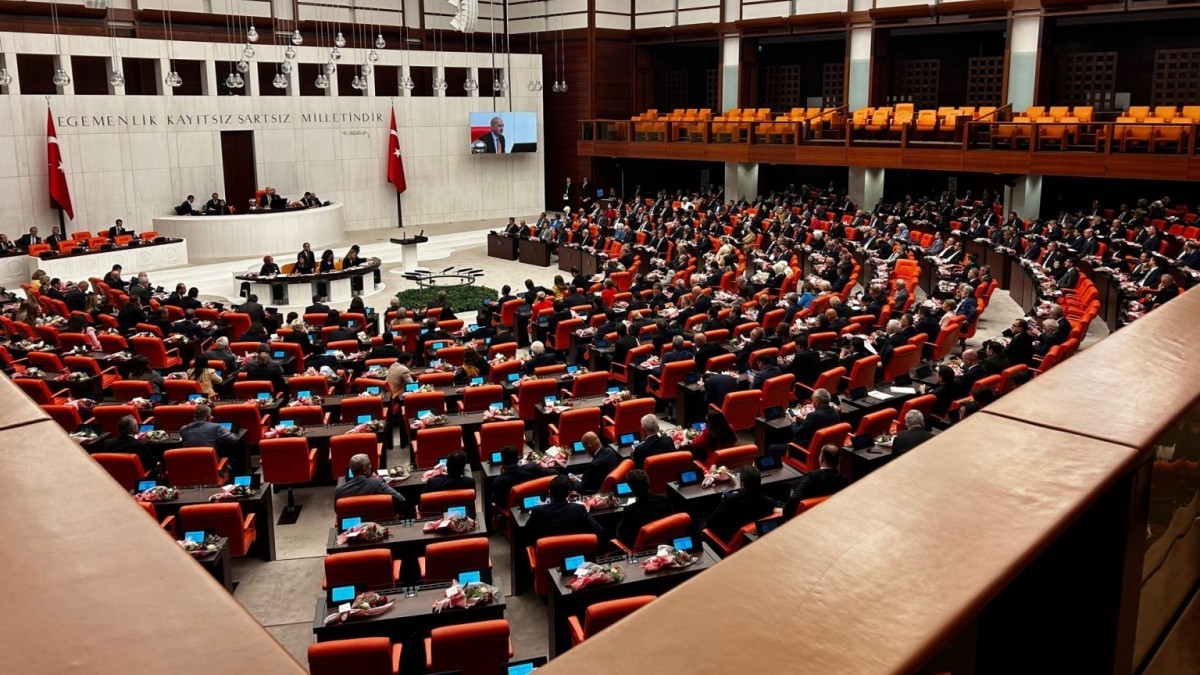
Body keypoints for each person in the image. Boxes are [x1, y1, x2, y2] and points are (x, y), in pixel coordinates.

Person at [703, 466, 780, 542]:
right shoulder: (769, 502)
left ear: (742, 484)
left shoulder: (729, 500)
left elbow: (711, 523)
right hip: (752, 539)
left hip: (729, 539)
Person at [526, 475, 605, 541]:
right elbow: (599, 530)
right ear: (568, 493)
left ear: (550, 493)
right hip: (574, 551)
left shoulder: (537, 511)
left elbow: (526, 535)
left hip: (547, 552)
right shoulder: (578, 509)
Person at [782, 444, 848, 517]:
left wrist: (784, 512)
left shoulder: (810, 478)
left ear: (821, 458)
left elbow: (795, 499)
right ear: (838, 460)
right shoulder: (845, 481)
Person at [768, 388, 840, 456]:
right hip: (823, 447)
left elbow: (797, 433)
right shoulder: (836, 415)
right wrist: (804, 420)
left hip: (805, 448)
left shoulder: (813, 415)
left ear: (817, 402)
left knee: (772, 448)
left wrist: (793, 422)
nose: (812, 402)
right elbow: (818, 424)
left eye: (813, 400)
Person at [614, 469, 674, 548]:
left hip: (641, 549)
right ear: (648, 482)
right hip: (665, 545)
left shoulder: (630, 510)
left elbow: (623, 536)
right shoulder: (666, 499)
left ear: (632, 489)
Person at [336, 454, 407, 516]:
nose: (371, 467)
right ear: (365, 471)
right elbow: (401, 499)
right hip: (381, 523)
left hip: (353, 526)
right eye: (369, 466)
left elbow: (338, 511)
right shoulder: (377, 483)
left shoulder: (339, 491)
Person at [492, 445, 557, 509]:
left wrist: (502, 475)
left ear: (502, 461)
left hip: (514, 511)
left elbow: (500, 503)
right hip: (537, 504)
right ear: (518, 459)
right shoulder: (533, 468)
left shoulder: (499, 481)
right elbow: (554, 473)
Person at [179, 404, 240, 469]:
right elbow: (233, 439)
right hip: (212, 468)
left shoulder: (183, 429)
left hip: (190, 468)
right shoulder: (215, 427)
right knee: (232, 463)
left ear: (195, 416)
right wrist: (223, 429)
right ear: (208, 416)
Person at [102, 415, 160, 479]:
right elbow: (152, 464)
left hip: (115, 479)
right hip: (137, 480)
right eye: (136, 425)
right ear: (133, 428)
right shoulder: (140, 445)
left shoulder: (107, 443)